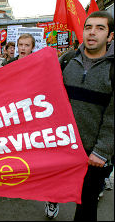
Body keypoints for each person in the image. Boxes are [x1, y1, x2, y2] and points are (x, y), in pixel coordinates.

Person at [44, 11, 114, 221]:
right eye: (88, 27)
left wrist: (101, 151)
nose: (92, 33)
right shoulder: (67, 60)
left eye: (100, 28)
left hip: (92, 156)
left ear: (110, 36)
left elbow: (113, 116)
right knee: (51, 188)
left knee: (86, 207)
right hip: (61, 147)